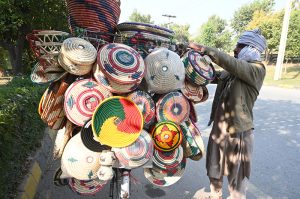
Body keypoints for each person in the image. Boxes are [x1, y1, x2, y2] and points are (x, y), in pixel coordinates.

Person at [189, 29, 267, 199]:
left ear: (250, 48)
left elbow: (230, 62)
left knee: (236, 175)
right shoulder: (232, 71)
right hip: (220, 128)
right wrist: (189, 59)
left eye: (239, 46)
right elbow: (210, 75)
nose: (235, 49)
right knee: (214, 166)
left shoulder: (256, 70)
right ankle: (215, 194)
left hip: (238, 130)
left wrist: (203, 48)